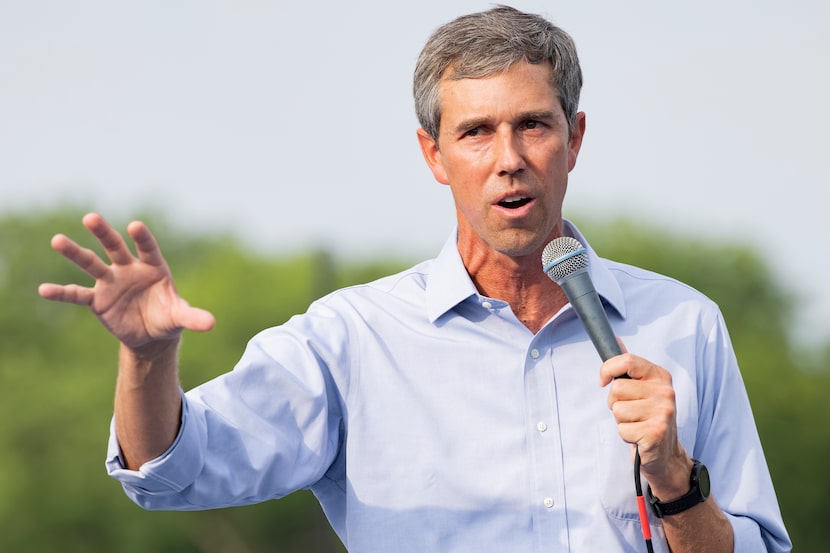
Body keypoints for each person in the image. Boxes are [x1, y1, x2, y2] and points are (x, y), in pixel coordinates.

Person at [39, 5, 790, 552]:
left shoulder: (683, 325)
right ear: (434, 155)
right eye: (476, 132)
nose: (509, 158)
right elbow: (172, 470)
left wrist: (673, 475)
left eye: (533, 124)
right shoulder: (350, 341)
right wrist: (146, 360)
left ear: (575, 138)